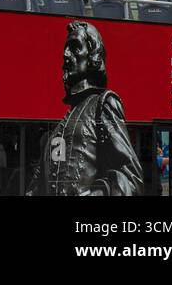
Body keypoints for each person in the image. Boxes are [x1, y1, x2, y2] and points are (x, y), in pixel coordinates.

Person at [27, 21, 142, 196]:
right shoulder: (58, 129)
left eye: (75, 48)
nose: (66, 55)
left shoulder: (103, 104)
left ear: (93, 56)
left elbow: (130, 179)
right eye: (66, 49)